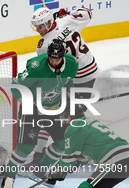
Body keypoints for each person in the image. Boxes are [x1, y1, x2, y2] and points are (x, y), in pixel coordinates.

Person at [28, 7, 100, 169]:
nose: (38, 30)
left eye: (40, 26)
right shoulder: (67, 21)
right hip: (87, 70)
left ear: (48, 22)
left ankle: (73, 155)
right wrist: (68, 13)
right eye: (36, 27)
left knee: (69, 119)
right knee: (62, 116)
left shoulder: (44, 44)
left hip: (77, 78)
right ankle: (51, 155)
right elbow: (87, 12)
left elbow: (48, 69)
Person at [3, 39, 79, 188]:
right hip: (33, 110)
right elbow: (15, 84)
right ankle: (8, 179)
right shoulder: (36, 68)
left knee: (63, 143)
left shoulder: (72, 64)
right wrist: (24, 102)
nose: (53, 61)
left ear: (63, 57)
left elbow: (68, 83)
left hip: (55, 109)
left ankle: (40, 171)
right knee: (25, 147)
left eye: (57, 59)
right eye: (51, 58)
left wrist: (71, 104)